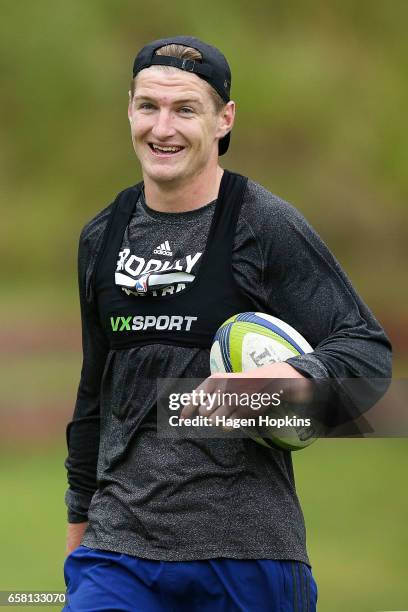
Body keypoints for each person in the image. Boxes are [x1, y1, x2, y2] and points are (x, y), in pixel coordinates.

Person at [63, 36, 392, 611]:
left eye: (185, 109)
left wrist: (287, 381)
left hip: (247, 553)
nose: (162, 128)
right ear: (131, 111)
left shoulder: (262, 224)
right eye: (149, 106)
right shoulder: (101, 236)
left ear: (223, 120)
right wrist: (78, 527)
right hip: (118, 552)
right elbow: (94, 396)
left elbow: (367, 354)